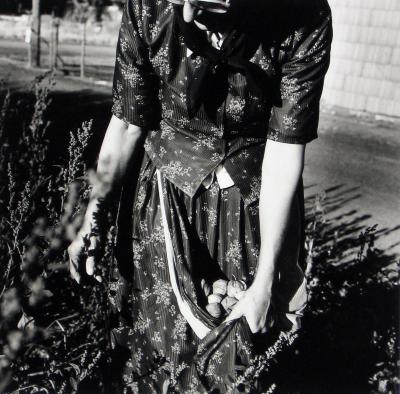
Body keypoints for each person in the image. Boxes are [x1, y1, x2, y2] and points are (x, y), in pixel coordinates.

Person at [68, 0, 332, 391]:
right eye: (187, 4)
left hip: (250, 207)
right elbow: (127, 122)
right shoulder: (148, 7)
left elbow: (284, 153)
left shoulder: (303, 16)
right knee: (155, 350)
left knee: (239, 356)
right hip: (163, 201)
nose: (190, 18)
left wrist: (265, 281)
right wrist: (96, 211)